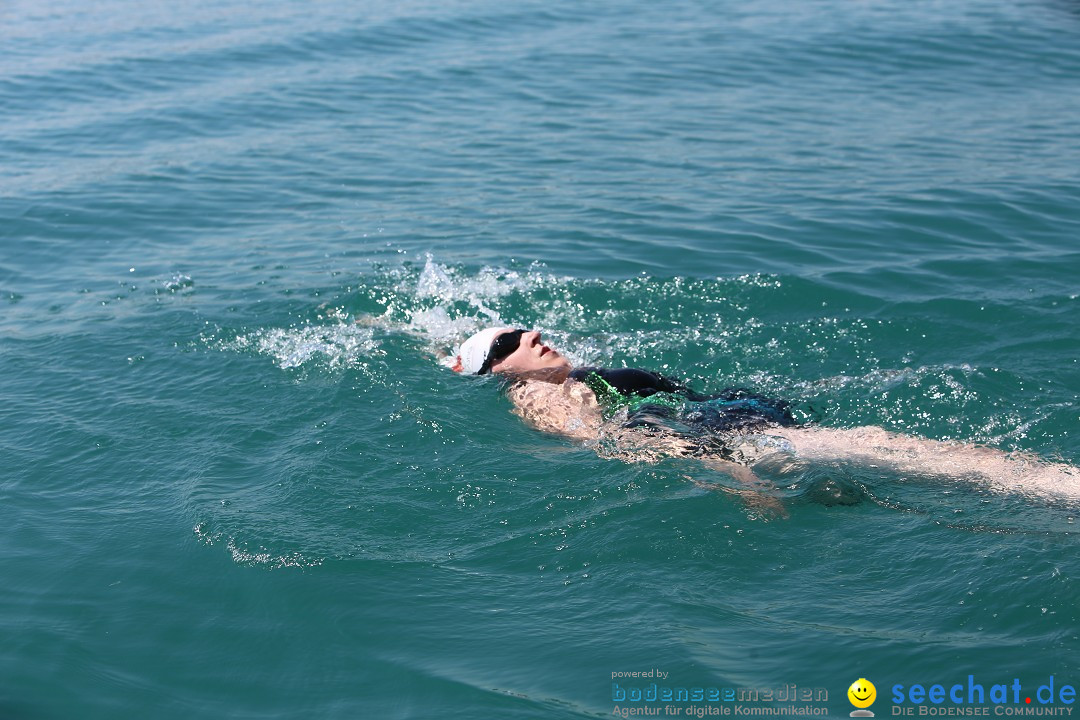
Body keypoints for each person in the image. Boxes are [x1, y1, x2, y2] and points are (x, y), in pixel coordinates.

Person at [449, 327, 1080, 513]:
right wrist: (732, 474)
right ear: (500, 372)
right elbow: (619, 446)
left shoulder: (567, 375)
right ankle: (1059, 486)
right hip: (721, 437)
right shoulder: (542, 400)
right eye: (509, 343)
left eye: (524, 328)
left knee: (865, 457)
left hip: (723, 414)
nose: (530, 335)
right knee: (883, 446)